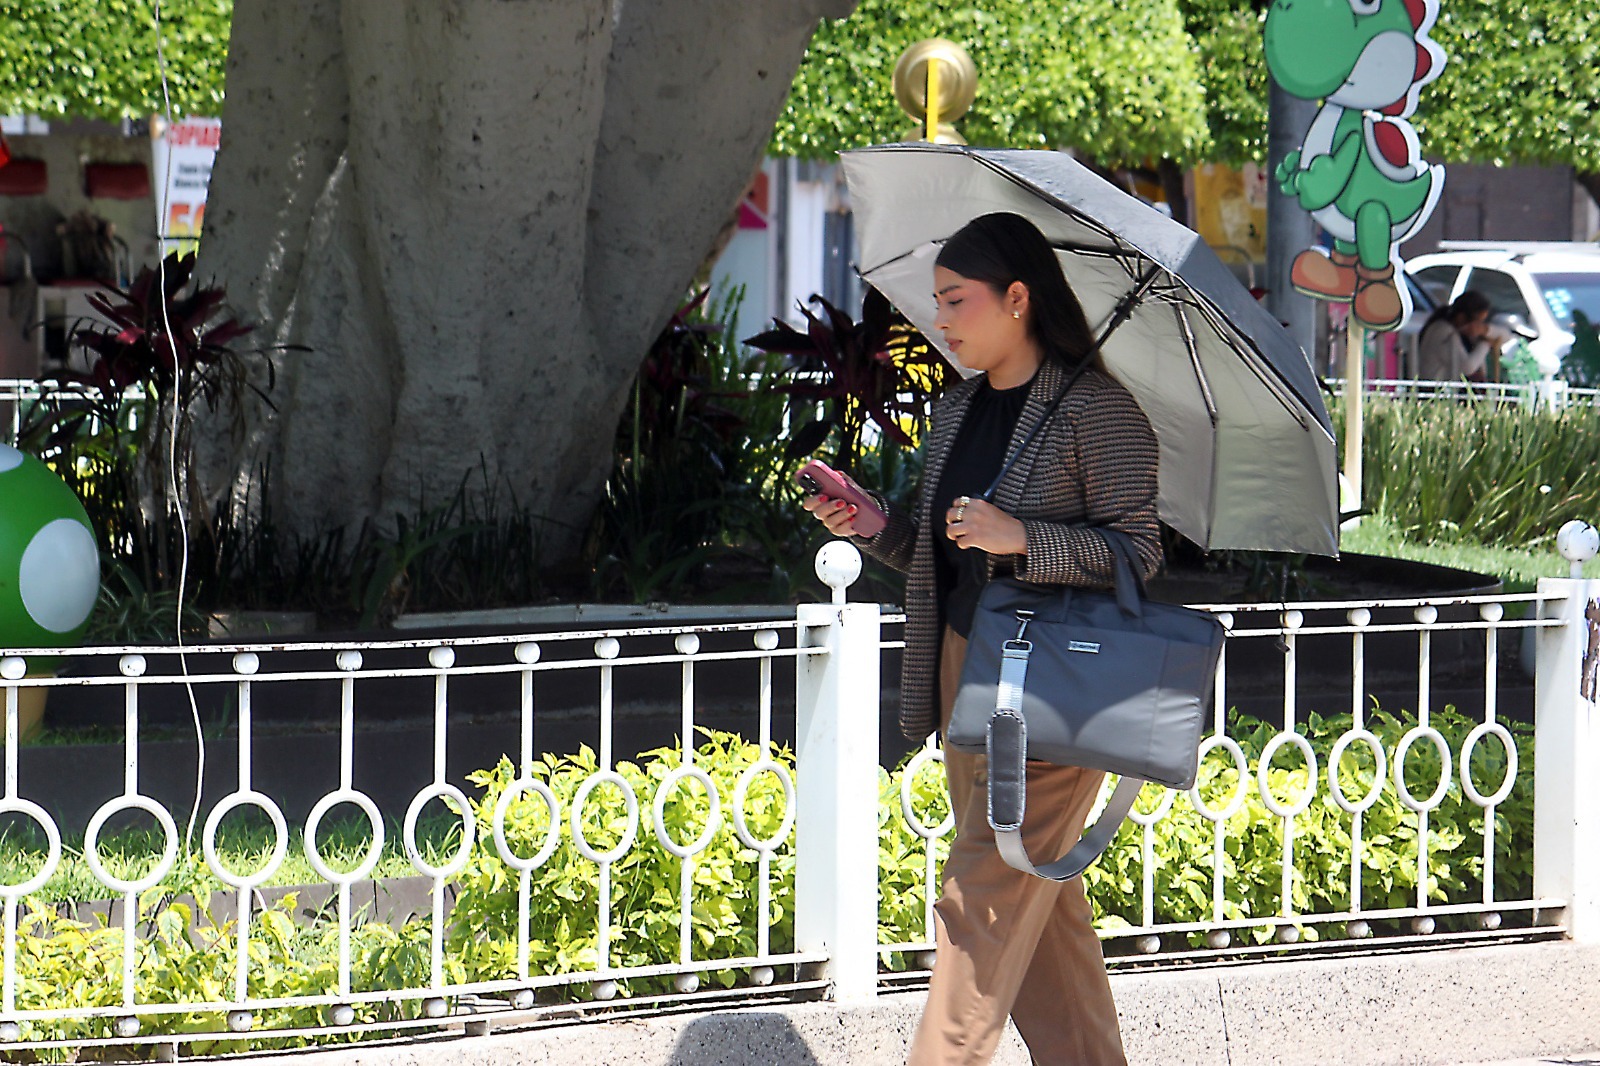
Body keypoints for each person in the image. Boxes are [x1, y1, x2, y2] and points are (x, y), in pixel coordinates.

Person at [802, 212, 1161, 1066]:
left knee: (980, 897)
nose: (945, 320)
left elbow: (1139, 555)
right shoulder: (959, 409)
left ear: (1018, 298)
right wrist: (875, 523)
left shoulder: (1098, 411)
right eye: (937, 303)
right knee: (1040, 907)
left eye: (957, 301)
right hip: (971, 670)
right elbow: (948, 556)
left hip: (1060, 687)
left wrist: (1026, 537)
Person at [1417, 289, 1500, 383]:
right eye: (1477, 322)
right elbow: (1467, 367)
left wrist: (1486, 330)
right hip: (1435, 389)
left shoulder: (1455, 330)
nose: (1479, 326)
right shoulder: (1444, 331)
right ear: (1461, 317)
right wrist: (1485, 343)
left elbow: (1504, 334)